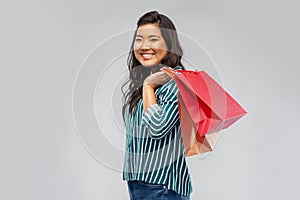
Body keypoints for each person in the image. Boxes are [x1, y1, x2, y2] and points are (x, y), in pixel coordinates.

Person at [121, 11, 192, 200]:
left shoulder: (175, 82)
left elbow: (157, 128)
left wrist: (148, 86)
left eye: (153, 39)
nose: (144, 47)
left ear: (169, 44)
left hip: (162, 188)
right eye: (139, 40)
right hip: (142, 186)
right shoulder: (147, 79)